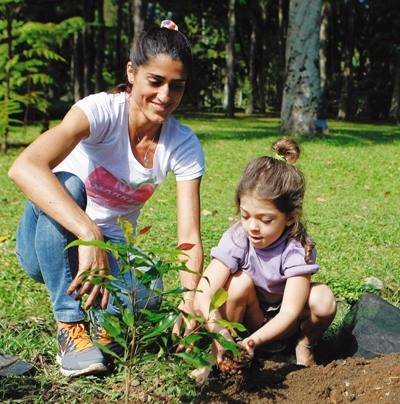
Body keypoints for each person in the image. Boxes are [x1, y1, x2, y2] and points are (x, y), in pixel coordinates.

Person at [8, 20, 204, 377]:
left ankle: (102, 319)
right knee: (68, 184)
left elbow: (189, 236)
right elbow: (24, 167)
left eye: (176, 86)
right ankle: (69, 324)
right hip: (46, 243)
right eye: (155, 81)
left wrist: (190, 303)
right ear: (132, 72)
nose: (165, 96)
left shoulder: (183, 144)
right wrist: (89, 233)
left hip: (109, 252)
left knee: (149, 294)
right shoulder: (100, 111)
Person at [193, 138, 336, 369]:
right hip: (248, 317)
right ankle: (218, 356)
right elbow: (204, 293)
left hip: (285, 325)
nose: (252, 227)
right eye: (245, 215)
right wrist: (220, 333)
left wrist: (254, 341)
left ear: (291, 217)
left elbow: (290, 311)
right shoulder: (238, 237)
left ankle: (303, 345)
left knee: (324, 299)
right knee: (238, 283)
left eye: (266, 220)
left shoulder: (297, 247)